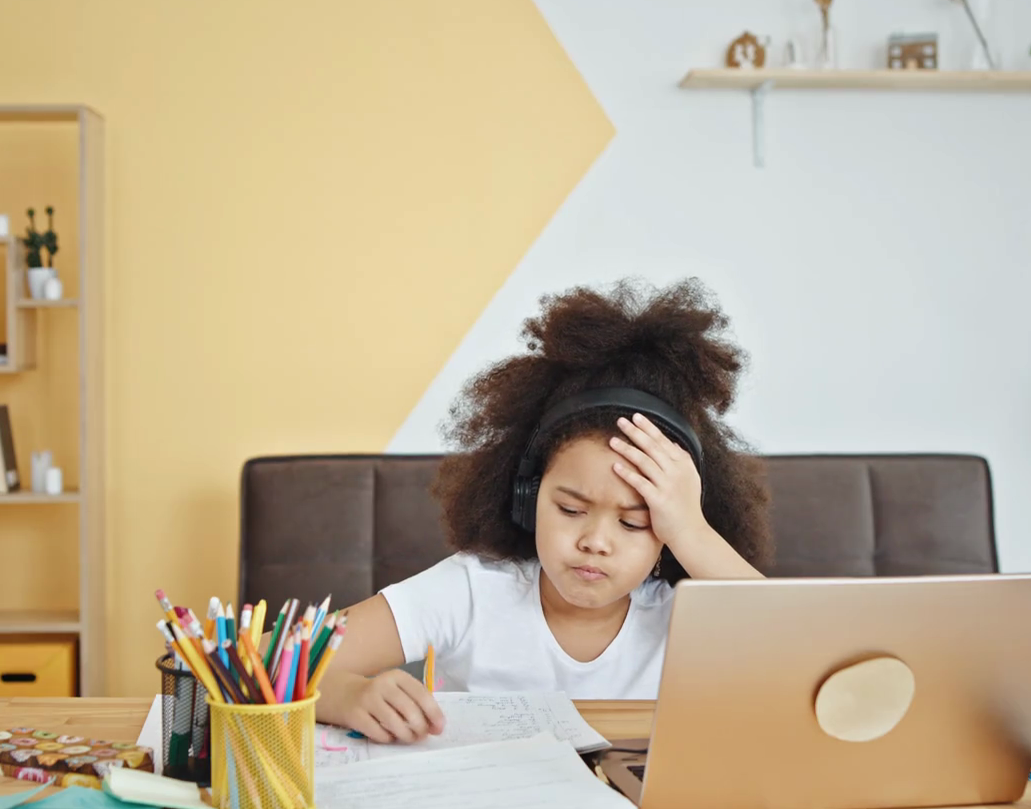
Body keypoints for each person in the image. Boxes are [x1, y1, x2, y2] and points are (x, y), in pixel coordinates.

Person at [316, 279, 771, 744]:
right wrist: (346, 695)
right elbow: (270, 661)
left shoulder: (684, 608)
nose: (595, 540)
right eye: (571, 509)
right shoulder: (471, 591)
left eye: (634, 521)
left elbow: (798, 658)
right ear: (526, 497)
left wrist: (693, 532)